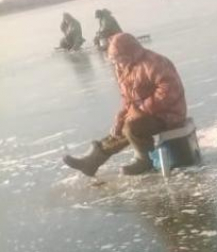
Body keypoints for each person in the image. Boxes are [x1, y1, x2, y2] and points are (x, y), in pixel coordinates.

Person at [63, 33, 187, 177]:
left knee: (133, 126)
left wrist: (140, 110)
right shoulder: (124, 69)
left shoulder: (155, 63)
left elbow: (169, 91)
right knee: (124, 125)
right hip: (147, 113)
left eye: (119, 60)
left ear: (130, 52)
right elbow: (129, 99)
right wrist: (121, 117)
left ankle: (145, 160)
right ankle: (91, 161)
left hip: (168, 114)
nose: (117, 64)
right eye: (114, 61)